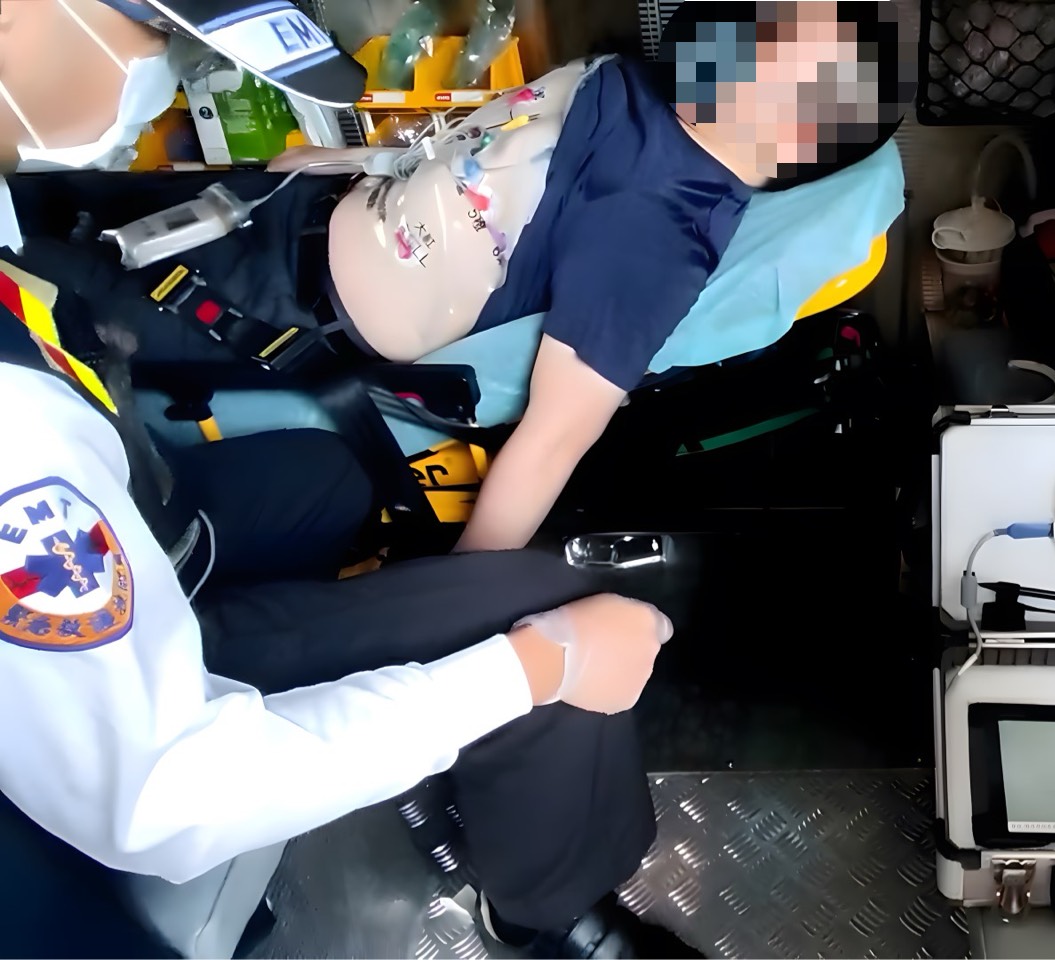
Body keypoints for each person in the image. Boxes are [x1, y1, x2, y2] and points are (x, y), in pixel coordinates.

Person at [0, 3, 694, 957]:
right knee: (537, 604)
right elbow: (165, 798)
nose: (165, 77)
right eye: (159, 39)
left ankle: (353, 660)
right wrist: (533, 666)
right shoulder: (20, 447)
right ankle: (546, 908)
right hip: (137, 723)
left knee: (327, 480)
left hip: (140, 521)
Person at [9, 0, 912, 557]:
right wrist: (341, 162)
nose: (747, 29)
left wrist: (456, 614)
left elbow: (555, 439)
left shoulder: (660, 232)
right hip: (276, 208)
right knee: (27, 203)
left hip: (267, 313)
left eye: (778, 45)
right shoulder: (633, 81)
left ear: (805, 129)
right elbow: (481, 149)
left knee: (27, 314)